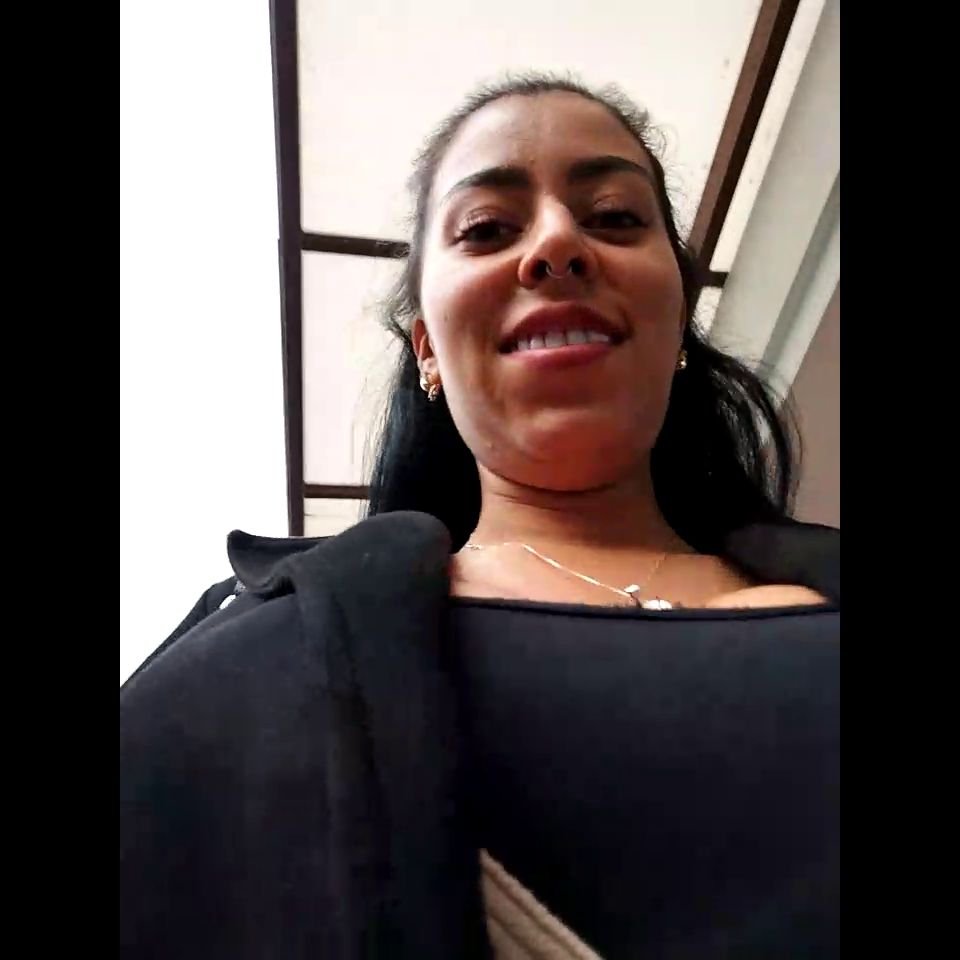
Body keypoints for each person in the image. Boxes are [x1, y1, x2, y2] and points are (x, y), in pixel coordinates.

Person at [120, 73, 839, 959]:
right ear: (427, 346)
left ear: (679, 313)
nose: (559, 245)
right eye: (489, 229)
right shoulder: (258, 653)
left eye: (614, 217)